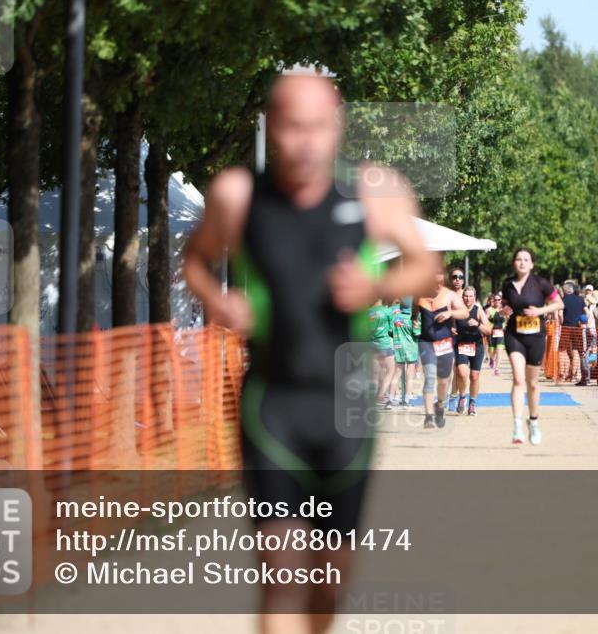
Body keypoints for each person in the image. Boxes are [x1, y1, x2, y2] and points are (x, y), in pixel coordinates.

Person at [182, 72, 435, 633]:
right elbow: (195, 258)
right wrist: (218, 301)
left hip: (347, 409)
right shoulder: (238, 195)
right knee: (281, 577)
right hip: (274, 405)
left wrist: (376, 288)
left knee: (330, 583)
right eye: (293, 127)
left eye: (318, 126)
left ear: (337, 125)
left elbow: (425, 266)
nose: (306, 141)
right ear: (272, 128)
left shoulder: (375, 193)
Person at [499, 248, 564, 445]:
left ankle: (533, 421)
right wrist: (504, 311)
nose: (522, 263)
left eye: (526, 260)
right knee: (518, 379)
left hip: (535, 335)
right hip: (514, 334)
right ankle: (517, 426)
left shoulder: (540, 283)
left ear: (532, 264)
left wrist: (540, 310)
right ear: (514, 263)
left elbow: (559, 304)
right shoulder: (507, 284)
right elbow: (504, 306)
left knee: (532, 383)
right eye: (518, 259)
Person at [415, 264, 468, 428]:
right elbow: (413, 311)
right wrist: (414, 319)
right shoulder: (419, 296)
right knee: (430, 377)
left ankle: (440, 405)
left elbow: (465, 312)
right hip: (426, 342)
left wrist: (450, 313)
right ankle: (428, 416)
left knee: (443, 380)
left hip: (444, 341)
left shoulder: (450, 295)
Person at [454, 286, 490, 415]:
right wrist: (451, 330)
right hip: (462, 345)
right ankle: (462, 397)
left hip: (477, 346)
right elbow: (449, 326)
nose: (468, 298)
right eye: (466, 296)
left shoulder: (479, 311)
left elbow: (488, 330)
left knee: (474, 376)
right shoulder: (457, 310)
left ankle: (472, 402)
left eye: (470, 296)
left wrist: (478, 324)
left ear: (474, 297)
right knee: (462, 373)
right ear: (462, 297)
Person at [390, 297, 419, 407]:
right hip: (411, 348)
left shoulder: (396, 316)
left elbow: (390, 332)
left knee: (396, 374)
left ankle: (390, 399)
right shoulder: (414, 317)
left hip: (398, 347)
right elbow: (417, 333)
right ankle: (406, 400)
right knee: (409, 375)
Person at [445, 267, 466, 411]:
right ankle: (451, 397)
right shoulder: (447, 295)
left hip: (466, 336)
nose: (457, 279)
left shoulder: (468, 295)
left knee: (461, 370)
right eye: (454, 277)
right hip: (450, 335)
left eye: (460, 277)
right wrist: (449, 327)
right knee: (450, 368)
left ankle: (458, 397)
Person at [369, 298, 396, 408]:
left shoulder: (367, 312)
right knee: (390, 370)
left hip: (371, 344)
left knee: (375, 374)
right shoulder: (387, 311)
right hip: (384, 344)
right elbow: (391, 329)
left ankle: (374, 398)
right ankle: (380, 397)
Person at [559, 283, 587, 385]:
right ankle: (576, 374)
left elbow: (560, 314)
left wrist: (561, 323)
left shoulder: (563, 300)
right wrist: (582, 321)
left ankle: (565, 375)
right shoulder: (580, 299)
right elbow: (586, 312)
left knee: (564, 351)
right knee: (576, 351)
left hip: (566, 327)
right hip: (577, 327)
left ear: (564, 291)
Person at [487, 292, 505, 375]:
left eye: (499, 299)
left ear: (501, 300)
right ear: (493, 301)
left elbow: (507, 320)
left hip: (501, 332)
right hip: (491, 332)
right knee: (492, 351)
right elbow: (485, 321)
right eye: (495, 300)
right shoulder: (489, 310)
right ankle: (491, 359)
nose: (497, 301)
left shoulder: (504, 310)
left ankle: (497, 368)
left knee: (499, 350)